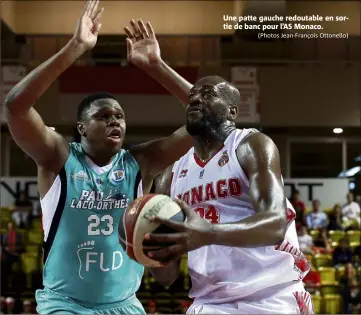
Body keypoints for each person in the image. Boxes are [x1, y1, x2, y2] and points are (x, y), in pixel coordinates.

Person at [4, 2, 193, 314]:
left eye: (119, 116)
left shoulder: (140, 161)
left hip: (124, 305)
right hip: (65, 305)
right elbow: (15, 107)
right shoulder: (58, 157)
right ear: (81, 127)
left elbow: (209, 121)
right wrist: (75, 47)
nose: (115, 121)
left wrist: (157, 66)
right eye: (104, 116)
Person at [146, 75, 314, 314]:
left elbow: (275, 224)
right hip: (209, 303)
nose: (194, 99)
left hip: (271, 297)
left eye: (207, 94)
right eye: (192, 95)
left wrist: (209, 233)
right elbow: (166, 277)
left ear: (232, 111)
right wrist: (150, 248)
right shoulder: (170, 174)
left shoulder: (251, 145)